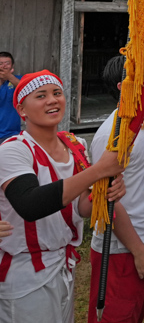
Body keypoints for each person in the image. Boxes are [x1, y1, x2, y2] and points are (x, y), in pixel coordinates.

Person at [0, 70, 125, 323]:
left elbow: (79, 208)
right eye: (41, 95)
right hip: (25, 270)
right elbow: (30, 204)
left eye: (57, 93)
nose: (52, 100)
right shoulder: (13, 150)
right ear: (22, 110)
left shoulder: (74, 144)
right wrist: (99, 170)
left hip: (63, 262)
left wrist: (105, 192)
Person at [88, 56, 144, 323]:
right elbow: (103, 201)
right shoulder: (112, 134)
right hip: (121, 250)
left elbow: (139, 173)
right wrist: (139, 251)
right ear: (122, 86)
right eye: (143, 77)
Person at [0, 52, 22, 142]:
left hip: (11, 135)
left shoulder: (19, 80)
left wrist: (9, 77)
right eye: (0, 64)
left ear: (12, 67)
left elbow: (25, 90)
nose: (3, 66)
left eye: (7, 63)